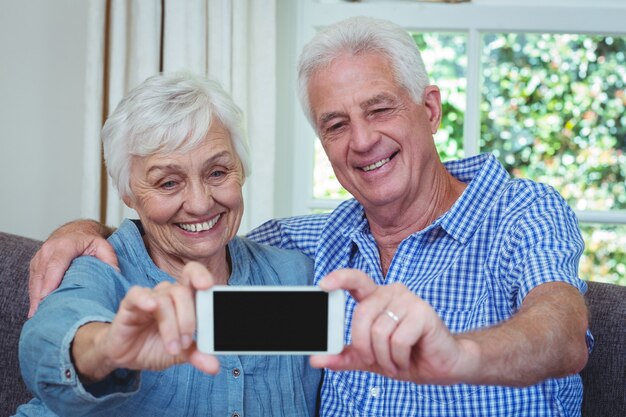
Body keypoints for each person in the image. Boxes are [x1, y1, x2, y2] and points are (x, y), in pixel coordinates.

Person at [27, 17, 591, 416]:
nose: (364, 140)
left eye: (380, 108)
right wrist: (85, 233)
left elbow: (562, 334)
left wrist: (461, 355)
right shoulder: (312, 247)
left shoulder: (520, 212)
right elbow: (181, 247)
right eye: (336, 123)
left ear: (430, 107)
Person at [15, 72, 321, 417]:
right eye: (168, 183)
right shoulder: (102, 269)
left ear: (242, 170)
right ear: (129, 193)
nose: (201, 203)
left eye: (217, 172)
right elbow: (46, 340)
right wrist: (109, 346)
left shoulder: (293, 273)